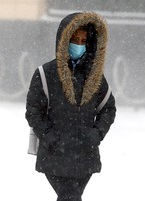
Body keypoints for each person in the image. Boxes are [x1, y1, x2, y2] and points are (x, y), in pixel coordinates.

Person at [25, 12, 116, 201]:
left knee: (70, 197)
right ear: (64, 40)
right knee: (70, 196)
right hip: (55, 155)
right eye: (75, 39)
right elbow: (33, 111)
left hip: (85, 157)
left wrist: (96, 134)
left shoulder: (95, 76)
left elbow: (108, 108)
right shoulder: (45, 73)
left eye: (83, 40)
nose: (79, 44)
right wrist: (49, 136)